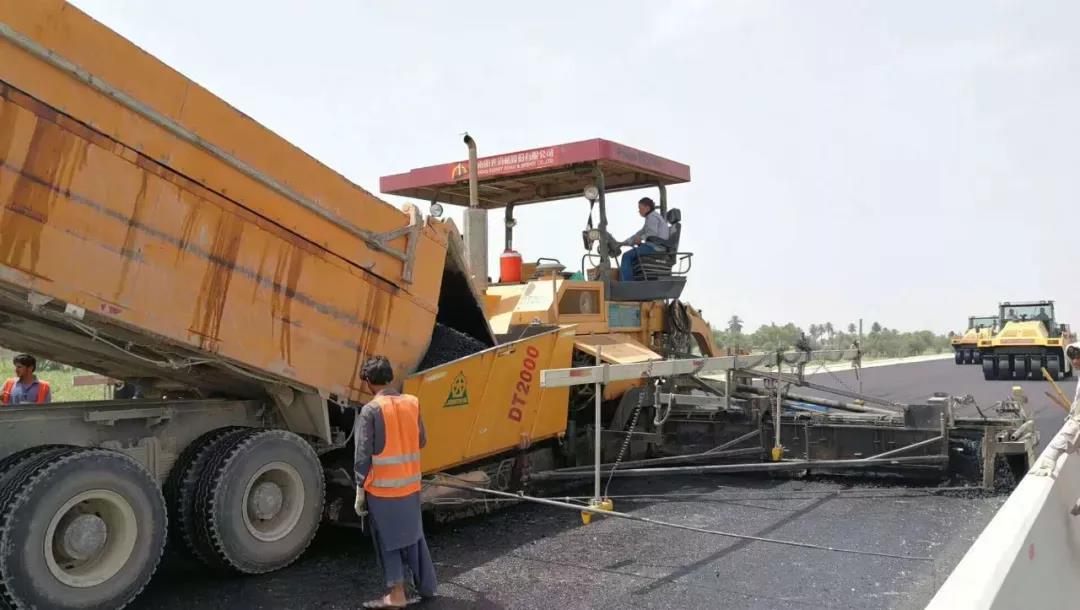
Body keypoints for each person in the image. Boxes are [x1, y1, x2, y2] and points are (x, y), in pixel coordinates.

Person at [353, 355, 436, 609]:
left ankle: (397, 595)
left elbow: (363, 454)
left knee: (388, 540)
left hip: (383, 491)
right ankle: (427, 586)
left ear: (369, 382)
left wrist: (359, 489)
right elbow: (422, 440)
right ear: (390, 378)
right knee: (414, 534)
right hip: (410, 486)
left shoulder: (371, 410)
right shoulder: (412, 402)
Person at [618, 197, 670, 282]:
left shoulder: (652, 217)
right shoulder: (651, 217)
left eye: (640, 208)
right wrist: (622, 243)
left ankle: (628, 284)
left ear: (647, 208)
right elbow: (639, 233)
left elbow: (652, 233)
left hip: (656, 247)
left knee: (626, 256)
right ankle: (633, 279)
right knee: (632, 255)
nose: (639, 211)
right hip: (654, 245)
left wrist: (641, 238)